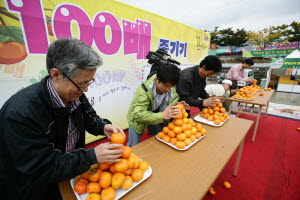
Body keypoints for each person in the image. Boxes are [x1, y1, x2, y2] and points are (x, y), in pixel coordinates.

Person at [0, 38, 124, 200]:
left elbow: (88, 117)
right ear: (56, 75)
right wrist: (91, 157)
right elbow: (40, 167)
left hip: (68, 174)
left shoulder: (74, 94)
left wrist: (102, 127)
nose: (85, 89)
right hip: (33, 188)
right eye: (81, 84)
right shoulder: (20, 113)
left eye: (89, 82)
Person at [127, 63, 189, 147]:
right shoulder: (143, 91)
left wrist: (176, 104)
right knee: (133, 146)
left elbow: (168, 100)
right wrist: (162, 115)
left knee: (159, 140)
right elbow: (137, 115)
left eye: (170, 87)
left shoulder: (169, 84)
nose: (167, 89)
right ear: (157, 79)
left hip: (157, 113)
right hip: (137, 119)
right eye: (165, 86)